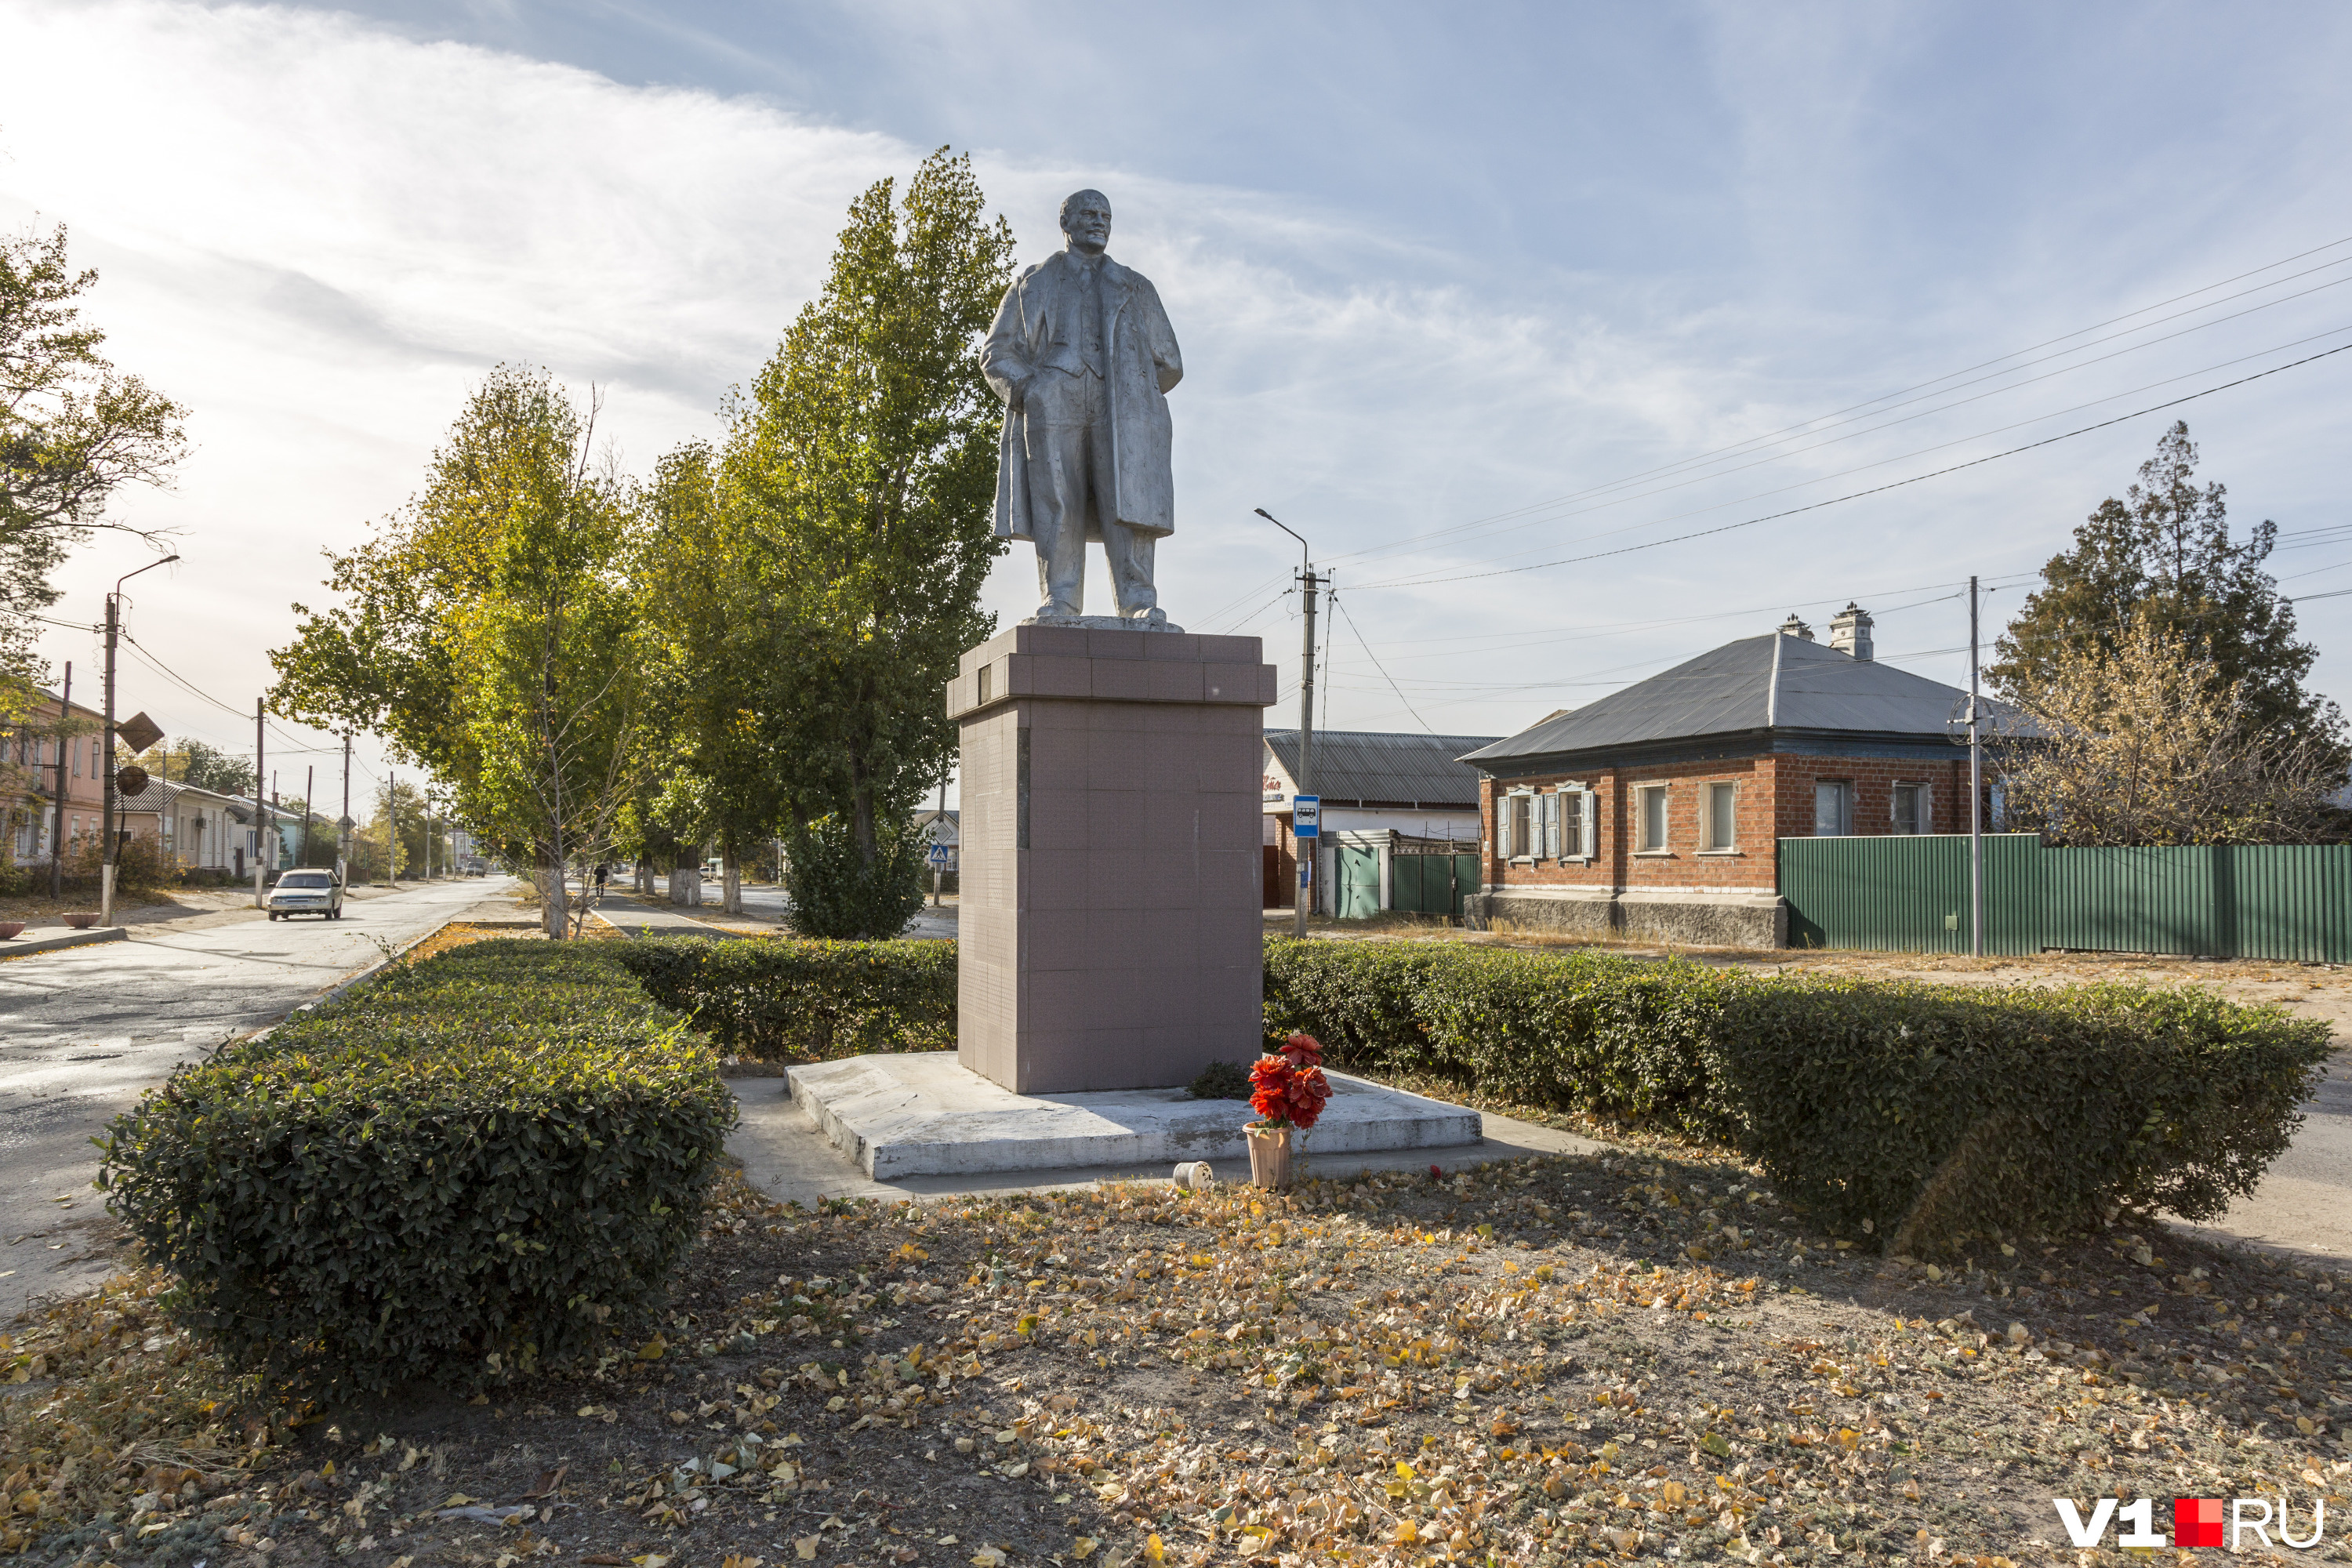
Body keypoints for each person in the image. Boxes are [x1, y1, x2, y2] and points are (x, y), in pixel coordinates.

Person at [982, 188, 1183, 624]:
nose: (1099, 222)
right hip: (1054, 401)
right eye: (1089, 214)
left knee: (1126, 500)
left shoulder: (1136, 286)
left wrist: (1136, 397)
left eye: (1106, 216)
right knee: (1058, 498)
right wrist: (1031, 389)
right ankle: (1061, 596)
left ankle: (1137, 599)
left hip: (1119, 410)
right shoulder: (1032, 283)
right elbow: (997, 353)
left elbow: (1169, 363)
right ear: (1066, 223)